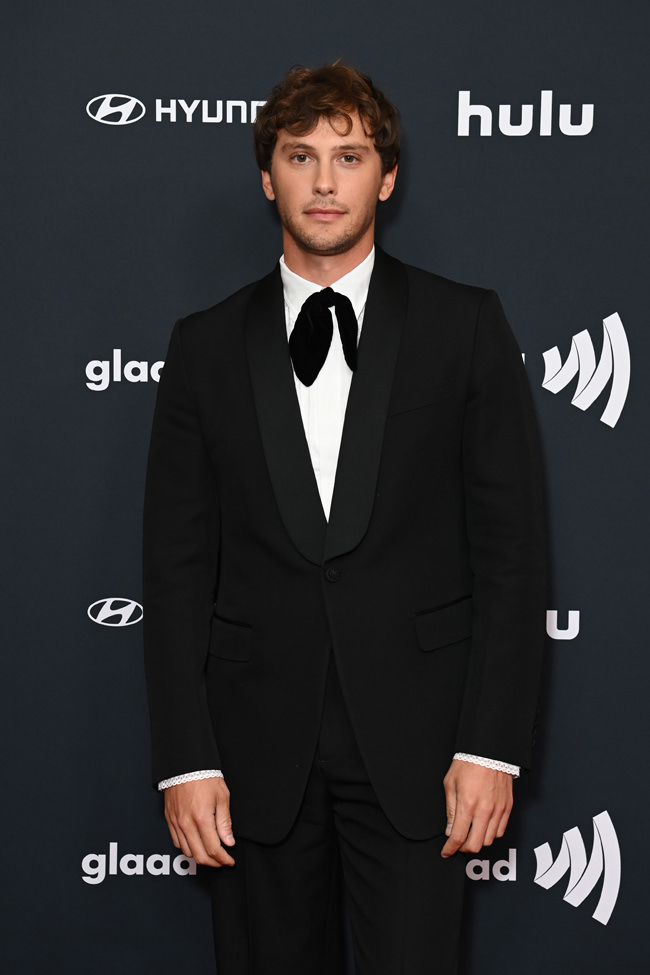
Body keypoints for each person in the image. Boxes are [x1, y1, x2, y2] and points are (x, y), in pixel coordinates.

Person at [143, 63, 546, 975]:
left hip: (423, 751)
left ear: (387, 177)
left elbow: (513, 557)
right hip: (252, 757)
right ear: (267, 177)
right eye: (301, 156)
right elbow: (174, 570)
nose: (325, 181)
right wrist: (185, 761)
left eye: (350, 156)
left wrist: (491, 746)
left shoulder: (465, 325)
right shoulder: (203, 345)